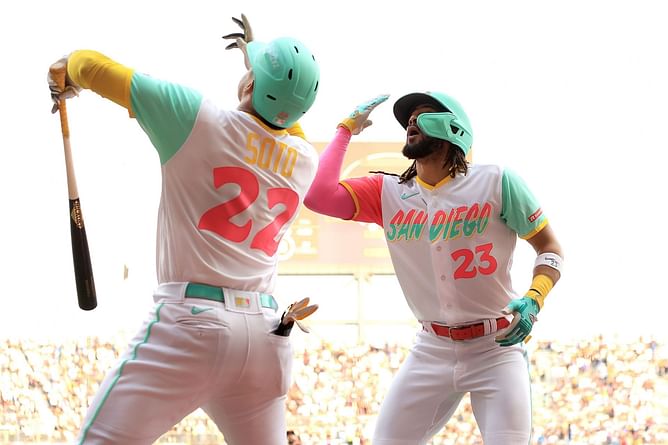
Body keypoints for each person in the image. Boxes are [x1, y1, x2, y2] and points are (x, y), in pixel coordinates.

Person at [48, 14, 319, 445]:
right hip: (267, 335)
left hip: (194, 321)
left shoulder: (198, 118)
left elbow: (92, 66)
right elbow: (284, 118)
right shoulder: (307, 159)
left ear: (250, 85)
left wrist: (65, 68)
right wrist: (258, 61)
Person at [304, 92, 563, 444]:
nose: (411, 121)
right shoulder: (388, 191)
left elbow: (549, 247)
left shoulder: (496, 181)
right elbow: (318, 196)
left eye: (423, 115)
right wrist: (344, 131)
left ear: (455, 128)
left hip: (496, 347)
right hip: (431, 347)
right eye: (408, 118)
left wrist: (534, 298)